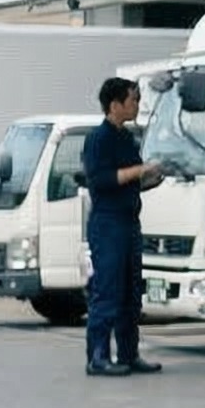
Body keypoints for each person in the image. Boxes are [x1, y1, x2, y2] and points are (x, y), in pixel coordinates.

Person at [81, 76, 164, 377]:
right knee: (108, 289)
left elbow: (130, 181)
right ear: (115, 104)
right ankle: (98, 356)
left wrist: (152, 177)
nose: (137, 106)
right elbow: (102, 180)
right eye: (133, 100)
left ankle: (129, 353)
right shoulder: (98, 139)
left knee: (131, 292)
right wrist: (139, 170)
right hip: (108, 223)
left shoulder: (126, 137)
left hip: (129, 221)